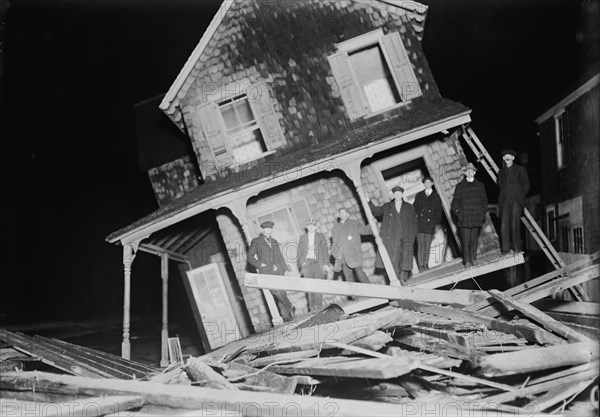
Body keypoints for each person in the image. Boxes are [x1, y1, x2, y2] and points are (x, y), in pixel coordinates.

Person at [367, 186, 418, 284]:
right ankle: (397, 279)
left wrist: (413, 235)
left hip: (407, 237)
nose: (398, 195)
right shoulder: (387, 207)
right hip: (393, 238)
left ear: (402, 194)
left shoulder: (409, 207)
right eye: (396, 194)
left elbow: (414, 222)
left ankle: (403, 278)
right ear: (393, 195)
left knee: (406, 259)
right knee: (394, 259)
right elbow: (376, 211)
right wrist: (368, 201)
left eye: (399, 193)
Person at [248, 220, 295, 321]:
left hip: (279, 271)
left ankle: (287, 317)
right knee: (276, 292)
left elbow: (280, 256)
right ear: (263, 230)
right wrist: (260, 265)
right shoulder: (256, 241)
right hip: (267, 272)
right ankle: (290, 306)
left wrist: (285, 269)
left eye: (270, 230)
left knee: (282, 293)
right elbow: (250, 257)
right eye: (267, 230)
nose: (269, 232)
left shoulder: (274, 241)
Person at [451, 163, 488, 268]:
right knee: (466, 241)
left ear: (475, 173)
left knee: (474, 240)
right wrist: (459, 214)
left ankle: (474, 259)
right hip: (465, 219)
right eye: (468, 171)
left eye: (472, 171)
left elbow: (484, 202)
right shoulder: (460, 186)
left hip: (476, 218)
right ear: (465, 173)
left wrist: (481, 214)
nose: (470, 173)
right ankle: (467, 261)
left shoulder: (480, 185)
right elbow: (455, 203)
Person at [498, 149, 530, 254]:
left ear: (513, 158)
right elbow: (500, 185)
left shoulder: (520, 169)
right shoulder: (501, 172)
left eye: (509, 156)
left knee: (514, 224)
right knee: (503, 225)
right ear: (503, 158)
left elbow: (526, 185)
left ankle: (517, 247)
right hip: (504, 200)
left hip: (516, 200)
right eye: (505, 156)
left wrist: (519, 196)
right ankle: (505, 249)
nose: (507, 158)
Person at [331, 207, 372, 285]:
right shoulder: (335, 229)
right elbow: (334, 243)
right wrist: (335, 254)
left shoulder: (354, 224)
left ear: (348, 214)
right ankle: (354, 296)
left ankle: (371, 290)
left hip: (354, 255)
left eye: (344, 212)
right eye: (340, 213)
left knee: (360, 273)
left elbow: (364, 230)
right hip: (343, 258)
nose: (342, 214)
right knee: (348, 278)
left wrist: (372, 224)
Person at [297, 218, 329, 312]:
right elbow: (299, 252)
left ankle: (318, 307)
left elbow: (325, 250)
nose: (311, 227)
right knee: (309, 286)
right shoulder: (302, 237)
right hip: (307, 264)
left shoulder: (320, 236)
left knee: (319, 285)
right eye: (309, 225)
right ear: (306, 227)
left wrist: (326, 264)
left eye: (313, 225)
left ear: (316, 226)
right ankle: (311, 308)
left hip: (319, 263)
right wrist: (303, 263)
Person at [413, 176, 443, 271]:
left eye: (429, 182)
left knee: (427, 246)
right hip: (420, 225)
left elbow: (439, 211)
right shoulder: (419, 196)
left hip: (430, 225)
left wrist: (435, 222)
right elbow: (414, 209)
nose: (427, 184)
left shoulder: (436, 197)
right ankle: (421, 265)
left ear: (432, 183)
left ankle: (425, 263)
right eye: (426, 182)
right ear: (424, 184)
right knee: (421, 245)